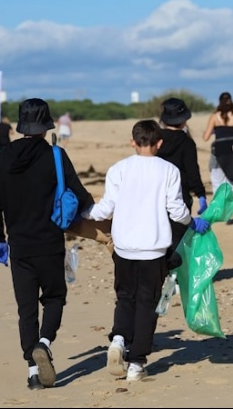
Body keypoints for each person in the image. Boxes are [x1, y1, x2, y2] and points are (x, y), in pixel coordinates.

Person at [81, 119, 210, 381]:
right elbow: (176, 209)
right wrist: (192, 221)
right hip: (153, 249)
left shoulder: (119, 169)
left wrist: (81, 213)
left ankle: (118, 340)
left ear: (133, 141)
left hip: (124, 248)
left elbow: (105, 208)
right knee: (147, 303)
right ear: (159, 143)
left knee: (125, 296)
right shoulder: (169, 170)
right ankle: (137, 363)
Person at [0, 98, 95, 390]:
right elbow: (83, 197)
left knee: (26, 309)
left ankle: (33, 371)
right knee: (55, 297)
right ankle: (44, 343)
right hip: (49, 242)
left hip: (18, 246)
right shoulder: (56, 156)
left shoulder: (5, 157)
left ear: (21, 125)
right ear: (47, 125)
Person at [158, 97, 208, 269]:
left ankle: (160, 274)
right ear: (184, 120)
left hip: (156, 196)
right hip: (181, 196)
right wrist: (201, 195)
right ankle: (176, 276)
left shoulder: (155, 141)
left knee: (158, 236)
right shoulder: (187, 143)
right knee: (178, 239)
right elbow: (193, 173)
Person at [202, 92, 233, 194]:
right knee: (231, 186)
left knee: (217, 184)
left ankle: (218, 208)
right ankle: (228, 209)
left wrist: (211, 132)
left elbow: (205, 138)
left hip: (219, 152)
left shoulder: (214, 117)